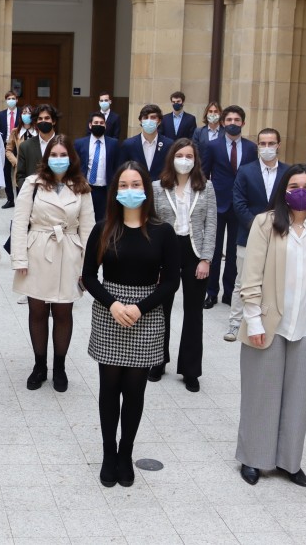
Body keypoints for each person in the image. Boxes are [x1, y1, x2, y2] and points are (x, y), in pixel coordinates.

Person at [236, 164, 306, 487]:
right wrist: (253, 319)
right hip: (267, 324)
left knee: (299, 397)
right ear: (283, 190)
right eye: (295, 185)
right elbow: (250, 277)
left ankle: (289, 461)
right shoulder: (265, 224)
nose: (301, 191)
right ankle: (254, 458)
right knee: (260, 394)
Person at [82, 162, 180, 488]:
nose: (129, 191)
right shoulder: (103, 228)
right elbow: (88, 278)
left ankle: (127, 452)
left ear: (146, 190)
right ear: (114, 192)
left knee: (134, 391)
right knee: (109, 389)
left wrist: (140, 307)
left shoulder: (162, 231)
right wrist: (113, 304)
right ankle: (109, 453)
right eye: (123, 185)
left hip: (146, 315)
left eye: (135, 184)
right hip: (110, 312)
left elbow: (170, 282)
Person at [11, 135, 94, 392]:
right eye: (54, 155)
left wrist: (87, 268)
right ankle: (39, 365)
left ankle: (59, 366)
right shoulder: (32, 183)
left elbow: (88, 228)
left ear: (71, 158)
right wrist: (19, 258)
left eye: (63, 155)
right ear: (47, 159)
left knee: (62, 312)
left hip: (69, 252)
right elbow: (20, 220)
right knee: (36, 311)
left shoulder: (81, 186)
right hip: (38, 250)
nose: (59, 160)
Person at [150, 139, 216, 391]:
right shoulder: (158, 187)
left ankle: (190, 370)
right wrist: (154, 264)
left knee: (193, 313)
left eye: (189, 156)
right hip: (166, 252)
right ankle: (158, 361)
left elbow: (211, 224)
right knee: (160, 309)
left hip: (194, 252)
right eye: (180, 155)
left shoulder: (206, 187)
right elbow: (153, 224)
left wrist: (206, 258)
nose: (185, 160)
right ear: (172, 158)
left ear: (195, 160)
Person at [225, 128, 288, 342]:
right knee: (242, 282)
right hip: (249, 234)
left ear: (278, 145)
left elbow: (289, 204)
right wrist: (258, 227)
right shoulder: (246, 171)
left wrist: (277, 226)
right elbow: (239, 202)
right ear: (258, 146)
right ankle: (234, 324)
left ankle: (271, 321)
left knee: (275, 280)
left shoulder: (287, 173)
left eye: (271, 143)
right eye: (263, 143)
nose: (267, 147)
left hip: (280, 235)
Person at [201, 105, 256, 309]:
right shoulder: (213, 146)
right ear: (223, 123)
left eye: (237, 120)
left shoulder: (251, 148)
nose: (233, 123)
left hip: (241, 206)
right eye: (229, 120)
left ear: (243, 122)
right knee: (214, 251)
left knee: (234, 252)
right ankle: (211, 292)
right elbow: (204, 174)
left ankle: (229, 291)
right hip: (217, 203)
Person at [74, 112, 119, 223]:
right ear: (90, 125)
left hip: (105, 191)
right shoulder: (80, 143)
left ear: (105, 126)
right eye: (96, 123)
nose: (98, 125)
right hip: (86, 189)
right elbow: (75, 165)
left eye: (101, 123)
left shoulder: (114, 144)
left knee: (102, 221)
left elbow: (117, 166)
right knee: (85, 220)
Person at [118, 104, 169, 177]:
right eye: (145, 118)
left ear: (159, 121)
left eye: (153, 117)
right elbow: (122, 171)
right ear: (141, 120)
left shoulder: (168, 144)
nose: (149, 120)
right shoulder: (128, 144)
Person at [15, 104, 59, 189]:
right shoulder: (25, 146)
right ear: (36, 122)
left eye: (47, 118)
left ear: (53, 121)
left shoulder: (64, 144)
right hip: (33, 196)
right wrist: (28, 193)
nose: (43, 121)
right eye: (40, 119)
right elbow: (20, 176)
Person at [0, 90, 20, 208]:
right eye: (8, 99)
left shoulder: (21, 113)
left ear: (17, 100)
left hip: (19, 146)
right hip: (5, 147)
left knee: (19, 172)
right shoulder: (1, 115)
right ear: (6, 101)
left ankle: (20, 198)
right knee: (6, 173)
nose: (11, 101)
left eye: (13, 98)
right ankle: (10, 199)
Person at [5, 104, 36, 192]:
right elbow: (8, 150)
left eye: (29, 113)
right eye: (24, 112)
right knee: (21, 198)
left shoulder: (38, 131)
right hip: (20, 171)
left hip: (35, 169)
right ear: (21, 115)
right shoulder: (15, 132)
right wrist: (16, 162)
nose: (27, 115)